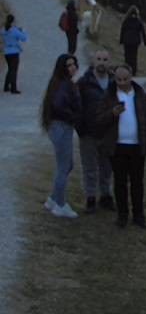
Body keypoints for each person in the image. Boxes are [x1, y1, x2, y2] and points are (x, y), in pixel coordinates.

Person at [97, 64, 146, 228]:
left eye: (125, 79)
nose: (122, 82)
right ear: (115, 79)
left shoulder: (140, 94)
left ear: (131, 77)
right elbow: (99, 119)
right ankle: (122, 215)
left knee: (137, 183)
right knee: (120, 182)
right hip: (117, 146)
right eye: (118, 79)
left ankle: (139, 216)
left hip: (137, 146)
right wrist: (112, 114)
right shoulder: (109, 95)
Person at [40, 53, 81, 218]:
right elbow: (59, 106)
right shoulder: (64, 85)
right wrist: (73, 117)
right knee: (64, 167)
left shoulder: (60, 83)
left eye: (74, 64)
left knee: (67, 165)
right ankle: (60, 204)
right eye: (68, 65)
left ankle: (53, 199)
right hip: (62, 126)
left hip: (60, 126)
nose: (72, 68)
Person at [76, 49, 115, 214]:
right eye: (98, 59)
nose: (101, 62)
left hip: (108, 133)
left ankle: (106, 196)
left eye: (105, 59)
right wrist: (80, 128)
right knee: (90, 168)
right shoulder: (84, 82)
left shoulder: (114, 81)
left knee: (107, 168)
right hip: (89, 132)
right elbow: (76, 106)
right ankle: (90, 198)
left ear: (109, 62)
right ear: (93, 61)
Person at [118, 6, 146, 77]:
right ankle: (133, 72)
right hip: (135, 41)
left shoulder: (126, 20)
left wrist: (121, 40)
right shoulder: (138, 21)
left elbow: (123, 31)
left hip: (127, 40)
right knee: (134, 57)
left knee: (127, 56)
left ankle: (127, 71)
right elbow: (142, 32)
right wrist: (145, 42)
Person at [2, 14, 27, 94]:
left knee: (10, 69)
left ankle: (6, 86)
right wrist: (23, 31)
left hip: (6, 51)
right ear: (13, 21)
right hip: (14, 51)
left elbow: (5, 32)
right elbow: (24, 38)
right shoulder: (14, 31)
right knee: (14, 70)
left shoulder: (3, 30)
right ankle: (13, 88)